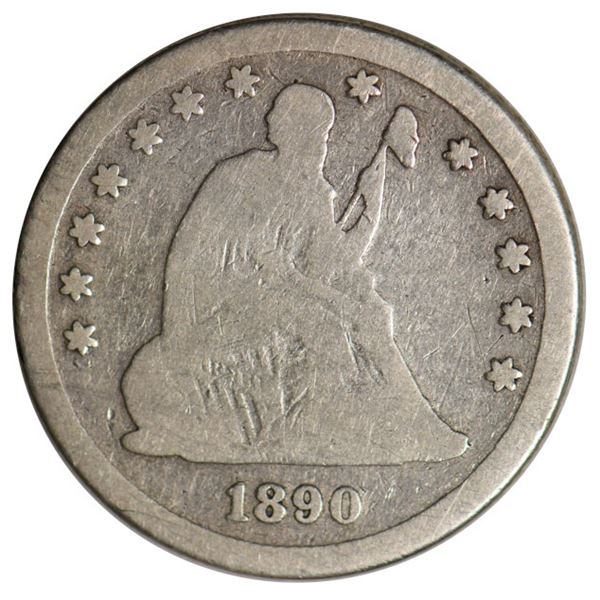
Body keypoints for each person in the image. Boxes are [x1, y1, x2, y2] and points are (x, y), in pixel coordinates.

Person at [121, 84, 468, 464]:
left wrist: (371, 205)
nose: (324, 144)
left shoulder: (313, 190)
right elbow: (257, 267)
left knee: (372, 313)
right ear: (295, 130)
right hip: (220, 306)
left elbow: (334, 261)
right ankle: (331, 428)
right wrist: (338, 303)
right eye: (321, 134)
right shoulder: (244, 175)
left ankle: (418, 428)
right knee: (324, 324)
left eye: (326, 135)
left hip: (271, 298)